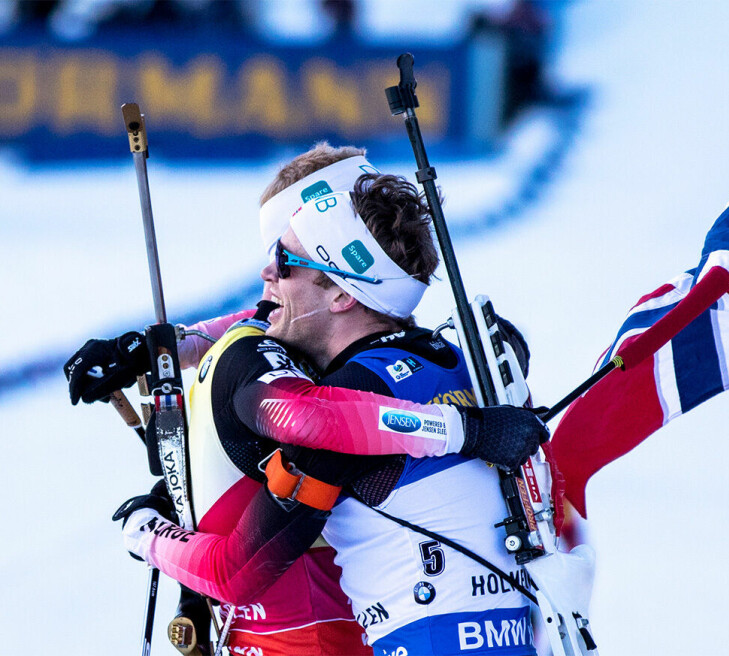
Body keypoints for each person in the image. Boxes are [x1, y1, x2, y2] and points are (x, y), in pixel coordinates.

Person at [66, 145, 543, 656]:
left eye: (283, 260)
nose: (266, 274)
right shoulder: (458, 356)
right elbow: (280, 317)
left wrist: (144, 532)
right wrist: (159, 347)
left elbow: (237, 569)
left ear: (342, 293)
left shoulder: (350, 412)